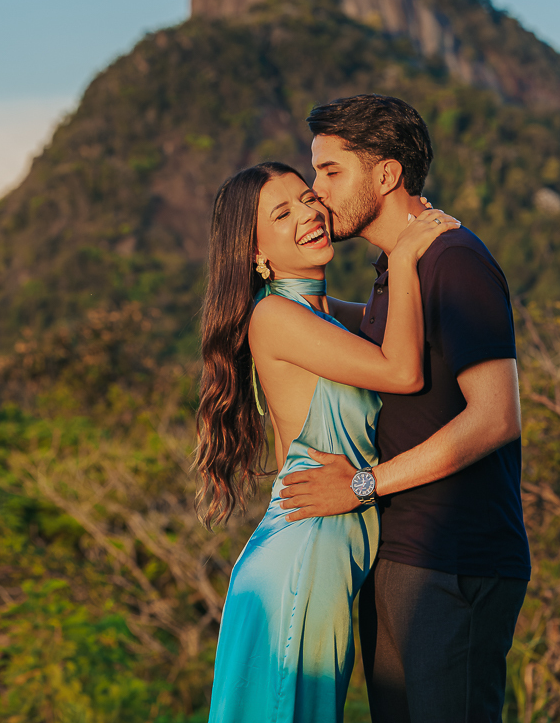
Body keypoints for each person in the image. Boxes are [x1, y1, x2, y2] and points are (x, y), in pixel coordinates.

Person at [280, 94, 531, 723]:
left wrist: (361, 485)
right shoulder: (401, 267)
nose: (316, 192)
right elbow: (380, 335)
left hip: (455, 563)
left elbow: (496, 415)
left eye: (331, 172)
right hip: (398, 557)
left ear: (386, 175)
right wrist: (279, 302)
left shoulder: (454, 260)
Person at [195, 159, 459, 723]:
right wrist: (404, 254)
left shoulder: (327, 317)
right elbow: (402, 370)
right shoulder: (272, 316)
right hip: (304, 554)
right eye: (282, 212)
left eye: (307, 198)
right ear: (255, 254)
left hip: (331, 547)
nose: (310, 214)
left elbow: (407, 327)